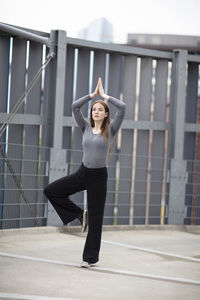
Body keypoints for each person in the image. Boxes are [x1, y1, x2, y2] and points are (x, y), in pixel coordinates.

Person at [44, 77, 126, 268]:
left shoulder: (111, 130)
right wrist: (92, 95)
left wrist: (105, 96)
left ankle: (89, 258)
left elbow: (122, 108)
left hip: (98, 177)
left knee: (96, 221)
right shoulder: (85, 128)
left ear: (106, 114)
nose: (96, 111)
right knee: (51, 190)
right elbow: (74, 107)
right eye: (94, 109)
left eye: (100, 109)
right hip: (83, 173)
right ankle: (81, 215)